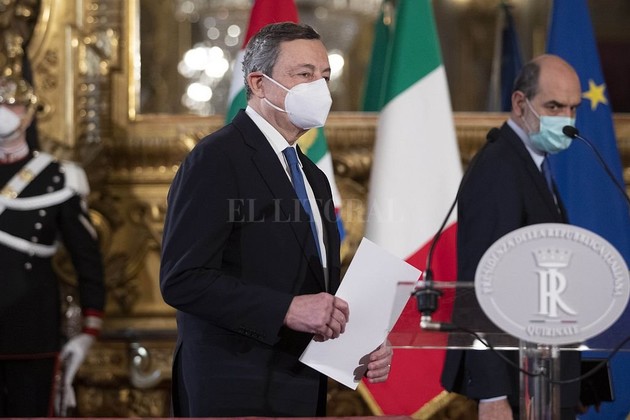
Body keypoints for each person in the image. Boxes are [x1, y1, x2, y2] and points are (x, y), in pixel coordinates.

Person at [160, 22, 393, 417]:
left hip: (299, 386)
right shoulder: (216, 158)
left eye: (324, 77)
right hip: (234, 386)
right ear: (259, 83)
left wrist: (361, 341)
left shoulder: (313, 176)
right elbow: (182, 279)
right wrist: (286, 309)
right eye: (304, 74)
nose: (319, 88)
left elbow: (314, 287)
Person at [440, 54, 582, 420]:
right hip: (515, 382)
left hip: (543, 376)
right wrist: (492, 394)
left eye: (573, 108)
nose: (566, 120)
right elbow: (480, 280)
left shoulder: (530, 161)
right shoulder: (500, 166)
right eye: (554, 106)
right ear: (520, 103)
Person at [0, 73, 106, 416]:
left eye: (13, 104)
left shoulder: (58, 177)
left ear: (30, 113)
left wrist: (90, 327)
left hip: (32, 327)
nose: (5, 111)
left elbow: (86, 258)